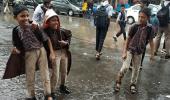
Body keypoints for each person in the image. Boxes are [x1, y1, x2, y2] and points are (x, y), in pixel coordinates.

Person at [11, 5, 54, 100]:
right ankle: (31, 96)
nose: (26, 18)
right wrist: (16, 50)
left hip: (41, 50)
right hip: (29, 54)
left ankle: (48, 95)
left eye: (27, 15)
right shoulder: (16, 30)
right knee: (30, 75)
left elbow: (46, 39)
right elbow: (17, 45)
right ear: (15, 18)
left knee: (45, 74)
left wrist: (51, 53)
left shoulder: (34, 26)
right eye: (22, 16)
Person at [114, 8, 154, 94]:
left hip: (139, 51)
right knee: (125, 67)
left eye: (143, 17)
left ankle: (133, 84)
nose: (140, 19)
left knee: (136, 70)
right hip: (130, 50)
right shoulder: (134, 26)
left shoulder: (150, 28)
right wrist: (124, 52)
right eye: (139, 16)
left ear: (148, 18)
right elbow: (127, 40)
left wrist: (152, 54)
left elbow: (151, 41)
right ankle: (118, 81)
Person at [43, 9, 72, 99]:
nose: (56, 22)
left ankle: (62, 86)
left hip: (63, 52)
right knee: (55, 74)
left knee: (64, 71)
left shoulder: (62, 30)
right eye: (53, 20)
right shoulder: (44, 31)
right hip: (54, 53)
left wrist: (66, 43)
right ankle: (51, 91)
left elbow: (69, 35)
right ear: (47, 21)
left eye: (56, 20)